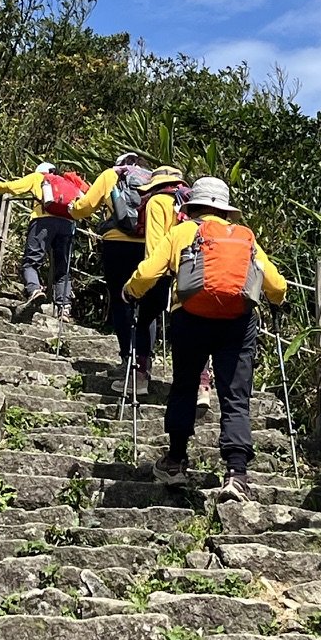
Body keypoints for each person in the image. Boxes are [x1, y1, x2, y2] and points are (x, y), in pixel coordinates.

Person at [123, 176, 286, 502]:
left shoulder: (181, 232)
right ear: (225, 210)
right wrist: (279, 303)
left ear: (192, 205)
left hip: (190, 318)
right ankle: (237, 474)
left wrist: (130, 292)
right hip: (238, 324)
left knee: (184, 386)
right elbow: (277, 286)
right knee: (236, 397)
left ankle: (175, 461)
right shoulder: (245, 238)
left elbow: (147, 273)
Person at [68, 152, 153, 389]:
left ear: (120, 165)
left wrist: (73, 209)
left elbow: (84, 207)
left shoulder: (111, 175)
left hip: (117, 243)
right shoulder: (154, 181)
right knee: (146, 304)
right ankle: (144, 365)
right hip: (149, 245)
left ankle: (129, 360)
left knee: (121, 300)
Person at [110, 165, 189, 396]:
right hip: (191, 274)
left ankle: (140, 376)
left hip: (162, 273)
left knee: (144, 320)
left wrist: (140, 282)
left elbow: (155, 247)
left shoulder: (157, 202)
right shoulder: (191, 206)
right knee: (188, 328)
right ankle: (202, 383)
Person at [0, 162, 81, 322]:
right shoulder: (67, 183)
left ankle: (34, 289)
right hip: (67, 223)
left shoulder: (38, 177)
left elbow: (12, 187)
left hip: (43, 222)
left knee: (31, 262)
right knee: (63, 268)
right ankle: (64, 308)